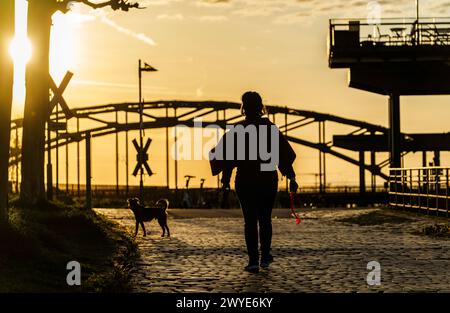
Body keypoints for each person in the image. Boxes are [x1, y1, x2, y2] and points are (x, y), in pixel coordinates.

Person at [209, 91, 298, 273]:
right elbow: (284, 155)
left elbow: (227, 159)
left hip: (246, 180)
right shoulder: (271, 129)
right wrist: (291, 176)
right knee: (265, 219)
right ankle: (265, 256)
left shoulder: (238, 130)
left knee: (250, 221)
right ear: (260, 107)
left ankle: (253, 261)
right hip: (267, 180)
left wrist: (225, 180)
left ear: (243, 108)